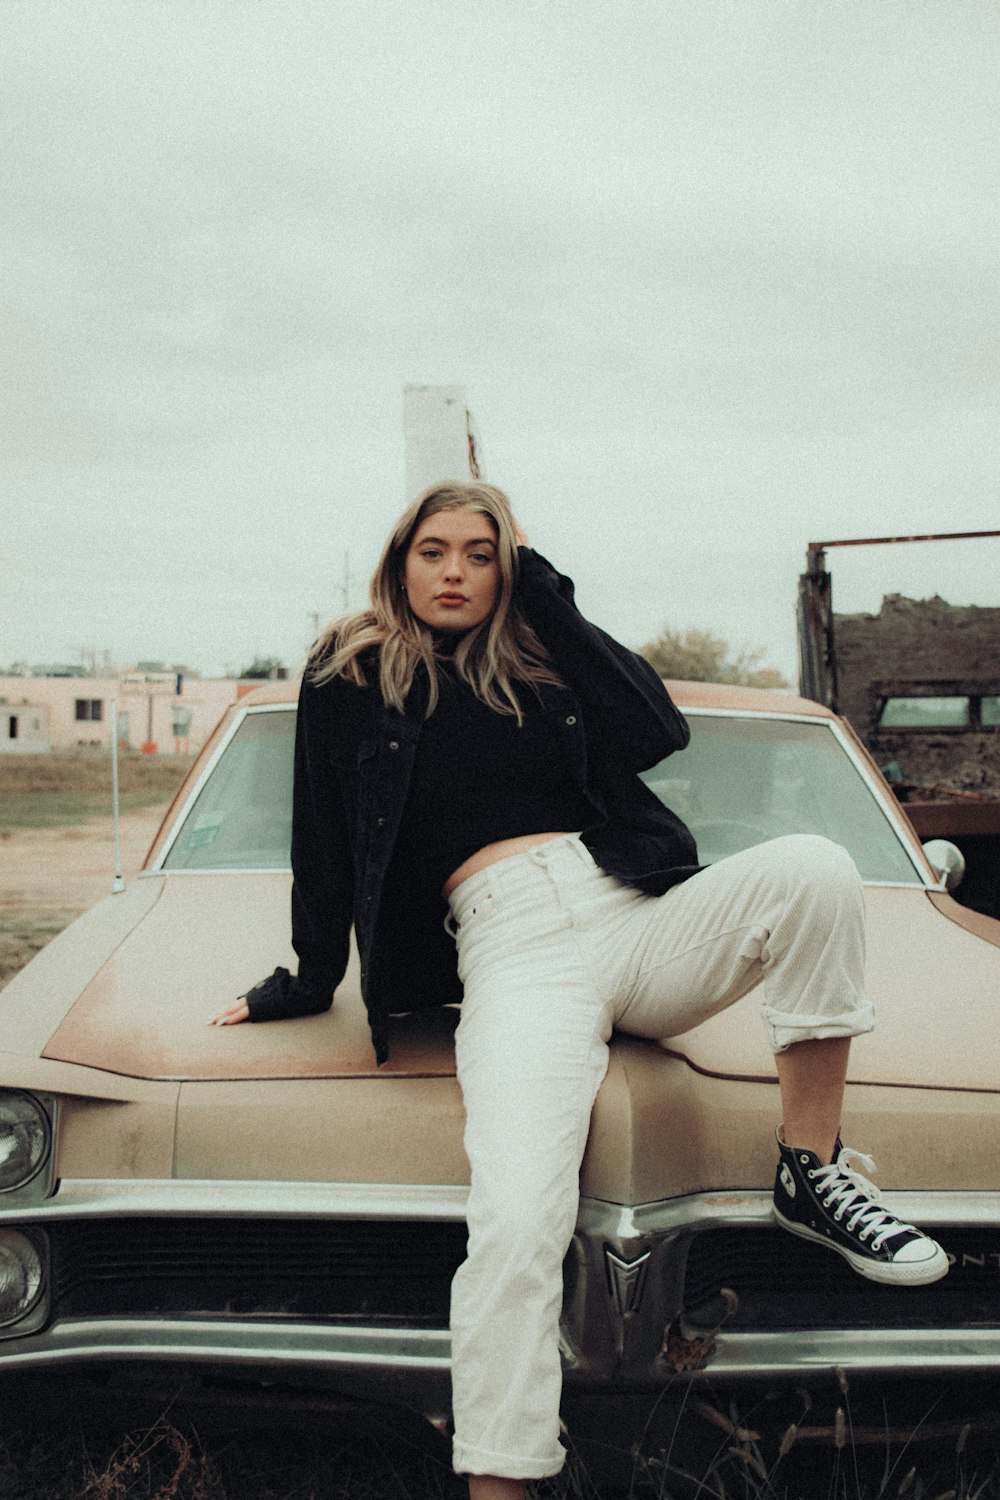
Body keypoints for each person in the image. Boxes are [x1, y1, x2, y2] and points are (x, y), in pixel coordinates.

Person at [211, 480, 948, 1498]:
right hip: (511, 950)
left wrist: (545, 593)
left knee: (817, 865)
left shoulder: (541, 655)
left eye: (482, 553)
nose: (456, 571)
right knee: (514, 1223)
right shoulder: (351, 674)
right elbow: (323, 838)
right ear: (401, 560)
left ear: (508, 566)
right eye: (436, 551)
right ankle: (501, 1481)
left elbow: (654, 726)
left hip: (632, 910)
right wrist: (303, 979)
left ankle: (809, 1170)